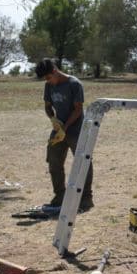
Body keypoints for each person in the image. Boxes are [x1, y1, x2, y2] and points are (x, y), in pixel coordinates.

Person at [36, 58, 93, 211]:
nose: (48, 82)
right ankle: (60, 196)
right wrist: (53, 119)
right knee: (54, 162)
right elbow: (48, 106)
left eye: (49, 77)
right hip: (58, 129)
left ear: (55, 71)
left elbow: (78, 109)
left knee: (83, 163)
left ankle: (86, 198)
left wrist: (65, 128)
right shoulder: (48, 86)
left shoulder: (74, 84)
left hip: (77, 130)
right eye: (45, 79)